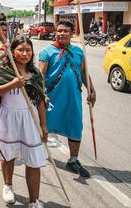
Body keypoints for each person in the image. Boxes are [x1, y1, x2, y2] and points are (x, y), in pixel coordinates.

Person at [38, 20, 96, 178]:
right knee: (43, 127)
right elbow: (41, 75)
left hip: (73, 98)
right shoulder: (47, 52)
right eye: (59, 30)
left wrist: (92, 90)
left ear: (72, 34)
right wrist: (42, 93)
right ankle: (37, 154)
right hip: (52, 97)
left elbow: (84, 73)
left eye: (65, 31)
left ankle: (73, 160)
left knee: (75, 127)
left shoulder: (78, 52)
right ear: (55, 33)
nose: (62, 33)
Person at [0, 37, 48, 208]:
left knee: (33, 160)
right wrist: (13, 84)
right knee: (8, 155)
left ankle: (34, 200)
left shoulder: (36, 73)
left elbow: (40, 99)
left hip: (30, 119)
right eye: (20, 49)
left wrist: (44, 125)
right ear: (12, 51)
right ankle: (7, 186)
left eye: (28, 50)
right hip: (7, 118)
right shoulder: (2, 70)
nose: (25, 53)